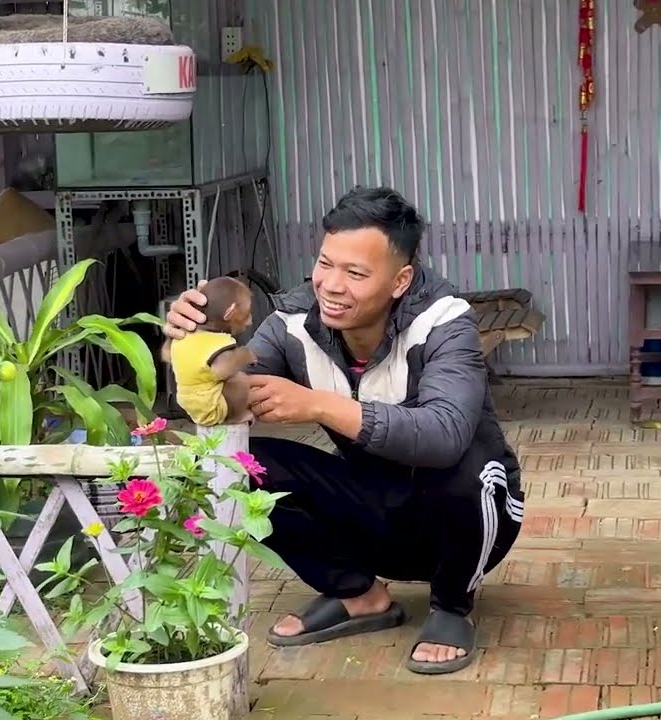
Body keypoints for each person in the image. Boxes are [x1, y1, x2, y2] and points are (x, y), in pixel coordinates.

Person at [163, 185, 525, 675]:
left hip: (466, 521)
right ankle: (359, 594)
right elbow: (234, 398)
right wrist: (196, 341)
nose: (332, 285)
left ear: (400, 280)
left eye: (356, 273)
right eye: (326, 263)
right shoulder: (293, 322)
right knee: (240, 466)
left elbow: (444, 435)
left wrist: (320, 405)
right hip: (372, 507)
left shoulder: (445, 324)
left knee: (469, 465)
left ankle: (451, 605)